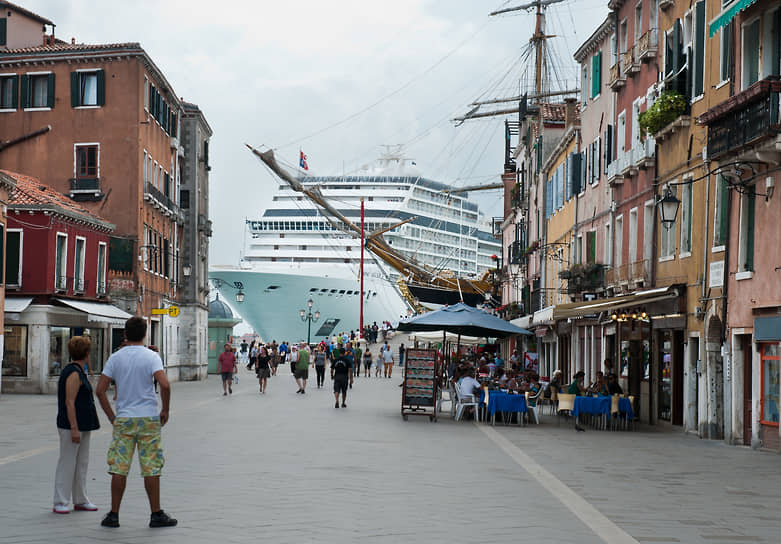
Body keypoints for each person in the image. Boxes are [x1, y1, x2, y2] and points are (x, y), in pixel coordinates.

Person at [95, 316, 176, 528]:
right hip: (148, 417)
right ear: (145, 334)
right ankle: (156, 513)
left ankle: (113, 514)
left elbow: (100, 390)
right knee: (151, 466)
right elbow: (165, 385)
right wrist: (165, 409)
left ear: (125, 334)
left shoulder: (115, 358)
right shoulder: (152, 357)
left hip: (124, 417)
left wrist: (112, 417)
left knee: (120, 467)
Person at [53, 336, 101, 515]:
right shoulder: (73, 373)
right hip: (71, 425)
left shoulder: (79, 371)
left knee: (81, 462)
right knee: (67, 462)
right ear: (87, 353)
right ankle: (60, 500)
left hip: (84, 424)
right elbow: (69, 402)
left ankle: (80, 499)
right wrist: (74, 428)